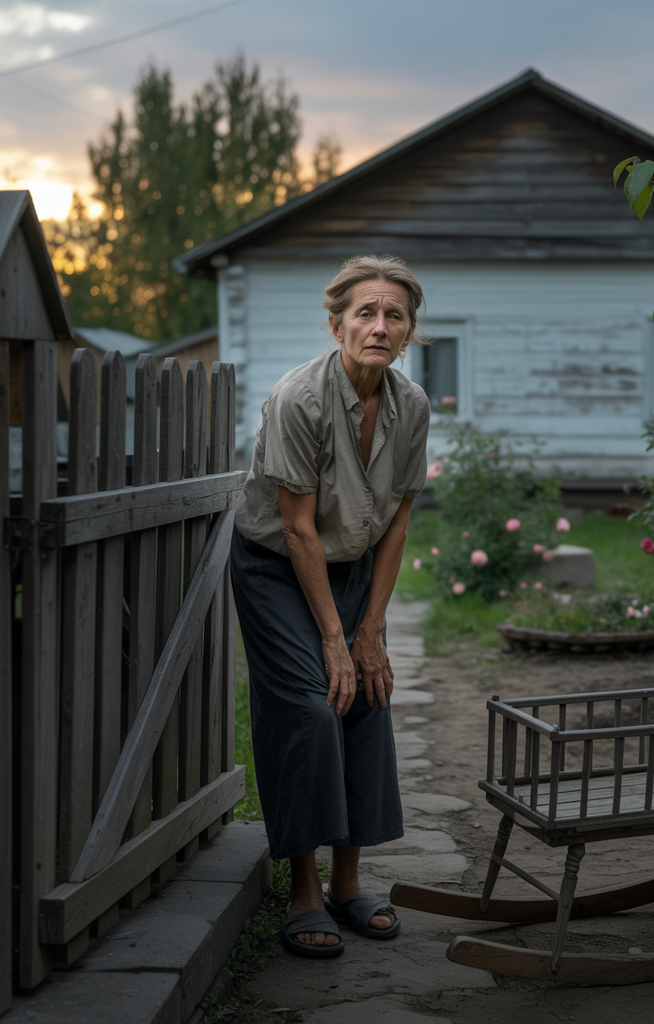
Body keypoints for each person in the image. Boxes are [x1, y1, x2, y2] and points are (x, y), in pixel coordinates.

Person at [230, 255, 430, 958]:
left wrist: (370, 631)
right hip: (278, 568)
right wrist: (333, 640)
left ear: (408, 331)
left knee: (368, 696)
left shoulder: (411, 407)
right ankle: (304, 888)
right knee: (313, 709)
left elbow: (398, 523)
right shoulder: (300, 400)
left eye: (394, 315)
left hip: (351, 566)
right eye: (365, 313)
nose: (379, 326)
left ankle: (350, 883)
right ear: (337, 323)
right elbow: (296, 528)